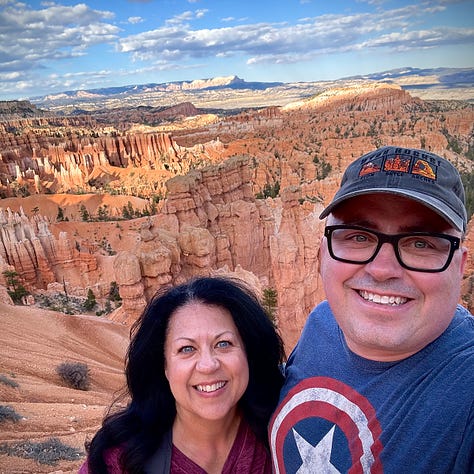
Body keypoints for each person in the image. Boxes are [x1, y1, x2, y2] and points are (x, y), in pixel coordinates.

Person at [269, 146, 474, 473]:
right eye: (358, 236)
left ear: (460, 264)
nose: (381, 269)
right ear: (323, 253)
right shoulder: (322, 322)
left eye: (421, 243)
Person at [80, 276, 285, 474]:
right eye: (187, 349)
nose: (208, 365)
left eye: (223, 344)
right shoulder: (116, 463)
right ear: (164, 367)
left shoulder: (287, 435)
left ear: (248, 354)